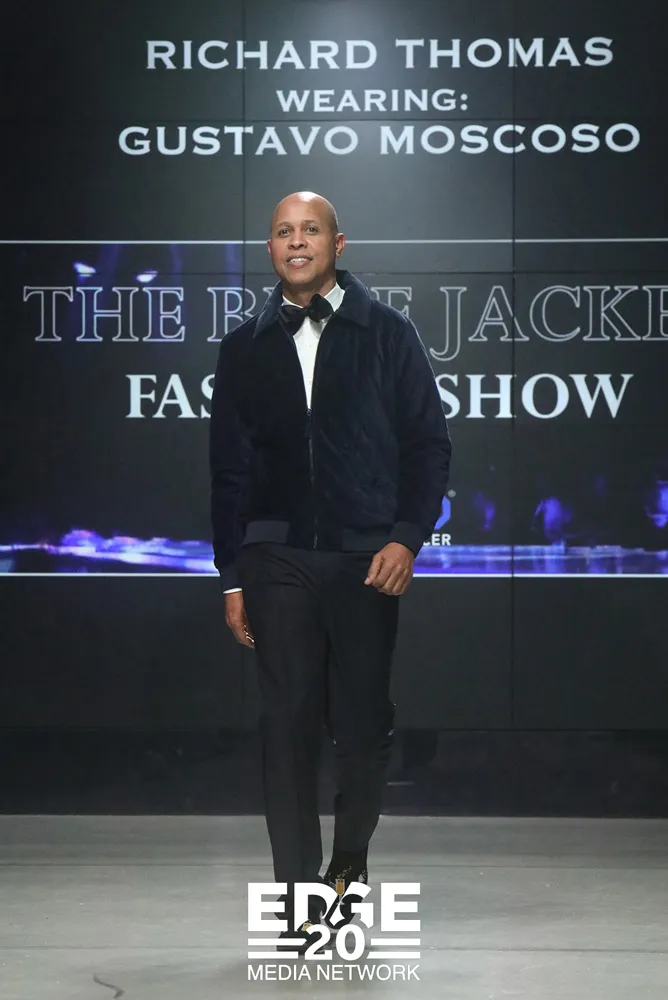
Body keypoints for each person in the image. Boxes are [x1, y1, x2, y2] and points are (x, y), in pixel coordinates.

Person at [209, 191, 451, 950]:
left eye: (309, 230)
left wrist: (406, 538)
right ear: (270, 249)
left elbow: (428, 444)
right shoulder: (244, 345)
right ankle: (295, 895)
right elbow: (228, 470)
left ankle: (347, 866)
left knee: (363, 726)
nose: (296, 241)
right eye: (283, 232)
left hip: (364, 558)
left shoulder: (388, 333)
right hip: (275, 557)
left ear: (337, 244)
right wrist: (232, 575)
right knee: (285, 724)